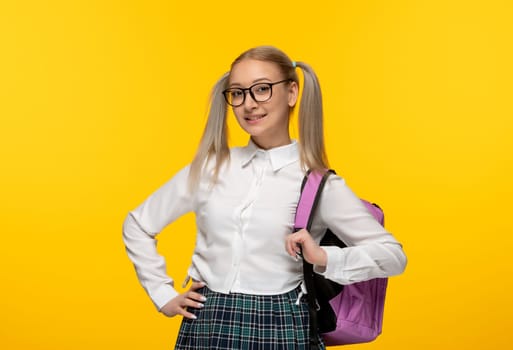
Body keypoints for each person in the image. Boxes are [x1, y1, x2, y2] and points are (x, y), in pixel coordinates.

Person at [123, 45, 407, 349]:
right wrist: (162, 294)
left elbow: (392, 256)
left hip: (283, 324)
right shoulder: (210, 168)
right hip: (207, 323)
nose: (249, 104)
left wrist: (324, 257)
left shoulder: (316, 182)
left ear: (292, 93)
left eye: (262, 89)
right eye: (238, 93)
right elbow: (138, 224)